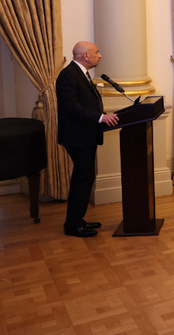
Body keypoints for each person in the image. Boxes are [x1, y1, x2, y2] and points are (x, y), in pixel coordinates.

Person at [56, 41, 119, 237]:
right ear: (85, 55)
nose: (100, 56)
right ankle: (73, 225)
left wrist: (102, 114)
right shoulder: (68, 75)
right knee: (82, 178)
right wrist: (100, 117)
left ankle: (78, 220)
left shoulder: (80, 73)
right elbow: (71, 106)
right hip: (77, 137)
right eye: (97, 52)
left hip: (86, 135)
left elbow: (85, 103)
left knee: (85, 177)